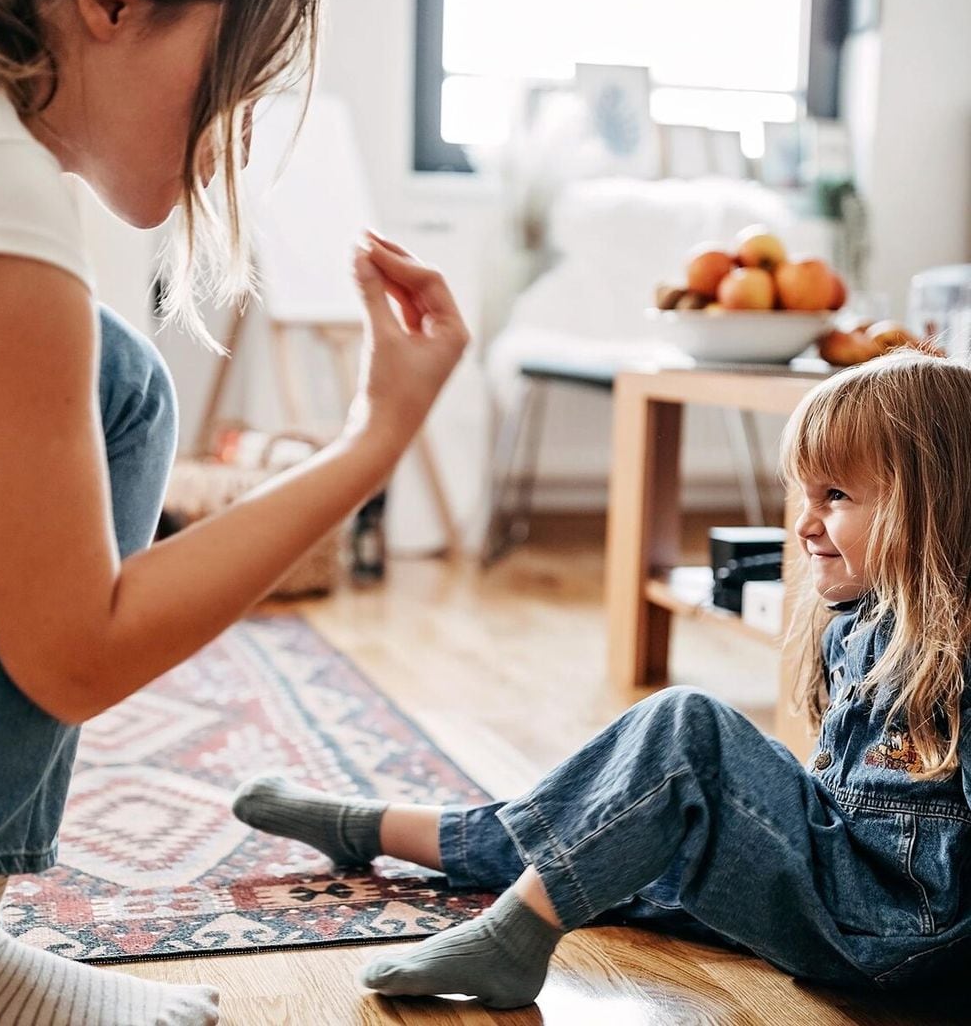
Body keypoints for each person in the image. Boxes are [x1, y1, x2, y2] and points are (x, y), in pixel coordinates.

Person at [0, 0, 468, 1023]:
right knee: (118, 389)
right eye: (231, 80)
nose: (238, 133)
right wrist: (374, 439)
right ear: (110, 0)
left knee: (93, 383)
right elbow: (76, 653)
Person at [235, 350, 971, 1009]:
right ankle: (374, 827)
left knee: (688, 730)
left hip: (889, 928)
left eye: (835, 497)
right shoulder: (861, 618)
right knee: (608, 822)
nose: (804, 523)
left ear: (936, 503)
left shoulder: (960, 649)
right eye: (802, 495)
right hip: (839, 887)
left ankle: (513, 939)